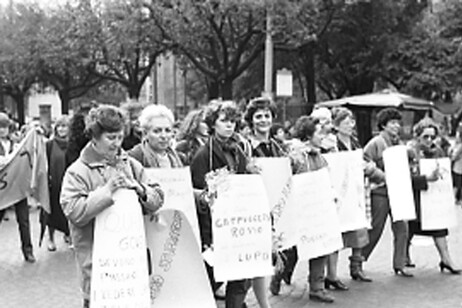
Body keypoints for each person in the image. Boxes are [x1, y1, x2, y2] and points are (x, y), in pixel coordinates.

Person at [60, 105, 164, 308]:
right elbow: (74, 212)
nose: (117, 144)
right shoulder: (78, 172)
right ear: (94, 137)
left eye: (120, 137)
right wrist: (107, 190)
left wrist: (141, 189)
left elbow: (158, 198)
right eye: (111, 138)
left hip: (130, 271)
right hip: (98, 274)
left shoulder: (132, 165)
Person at [190, 100, 252, 308]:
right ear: (212, 124)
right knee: (211, 275)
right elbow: (199, 195)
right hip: (215, 224)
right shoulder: (203, 154)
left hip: (237, 221)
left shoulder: (238, 149)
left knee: (241, 275)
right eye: (224, 121)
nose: (229, 125)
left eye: (233, 121)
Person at [331, 107, 383, 283]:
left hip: (356, 192)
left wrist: (369, 167)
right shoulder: (332, 144)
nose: (350, 125)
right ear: (336, 126)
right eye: (346, 122)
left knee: (359, 229)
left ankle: (356, 267)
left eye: (351, 122)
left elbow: (363, 161)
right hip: (340, 192)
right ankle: (331, 274)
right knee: (337, 233)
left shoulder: (354, 142)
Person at [243, 97, 287, 308]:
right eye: (258, 116)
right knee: (259, 255)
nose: (263, 120)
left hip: (274, 204)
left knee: (271, 252)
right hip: (254, 206)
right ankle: (263, 304)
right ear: (251, 120)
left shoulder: (277, 146)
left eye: (267, 115)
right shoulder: (246, 146)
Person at [288, 115, 335, 303]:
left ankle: (317, 287)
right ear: (308, 135)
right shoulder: (296, 155)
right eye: (319, 133)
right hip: (299, 210)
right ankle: (279, 274)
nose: (322, 136)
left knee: (320, 246)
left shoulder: (320, 156)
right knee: (293, 248)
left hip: (318, 210)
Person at [361, 108, 412, 277]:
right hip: (380, 191)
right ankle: (358, 260)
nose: (396, 126)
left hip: (397, 192)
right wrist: (382, 176)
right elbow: (364, 163)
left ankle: (400, 264)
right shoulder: (376, 142)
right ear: (383, 125)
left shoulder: (399, 144)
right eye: (392, 123)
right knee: (376, 227)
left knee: (402, 227)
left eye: (398, 123)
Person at [406, 118, 460, 274]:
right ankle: (404, 256)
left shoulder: (438, 151)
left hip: (433, 198)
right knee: (410, 228)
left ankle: (446, 259)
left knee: (439, 227)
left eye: (432, 136)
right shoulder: (410, 152)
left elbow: (444, 171)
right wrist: (425, 178)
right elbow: (405, 178)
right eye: (425, 137)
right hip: (416, 198)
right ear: (417, 136)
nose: (429, 140)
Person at [0, 112, 36, 263]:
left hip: (17, 187)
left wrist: (35, 133)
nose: (2, 130)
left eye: (4, 127)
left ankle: (28, 251)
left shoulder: (16, 143)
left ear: (9, 127)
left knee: (24, 220)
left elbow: (30, 147)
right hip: (2, 188)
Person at [41, 115, 71, 251]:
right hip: (54, 184)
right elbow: (44, 163)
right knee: (52, 212)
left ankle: (68, 234)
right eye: (59, 126)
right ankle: (51, 239)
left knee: (69, 211)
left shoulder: (72, 144)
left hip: (69, 183)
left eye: (64, 126)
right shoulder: (50, 144)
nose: (62, 129)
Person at [449, 124, 462, 205]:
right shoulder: (458, 145)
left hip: (458, 168)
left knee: (457, 185)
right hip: (458, 168)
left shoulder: (460, 146)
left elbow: (454, 156)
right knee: (458, 185)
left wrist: (453, 156)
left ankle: (456, 199)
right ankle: (457, 199)